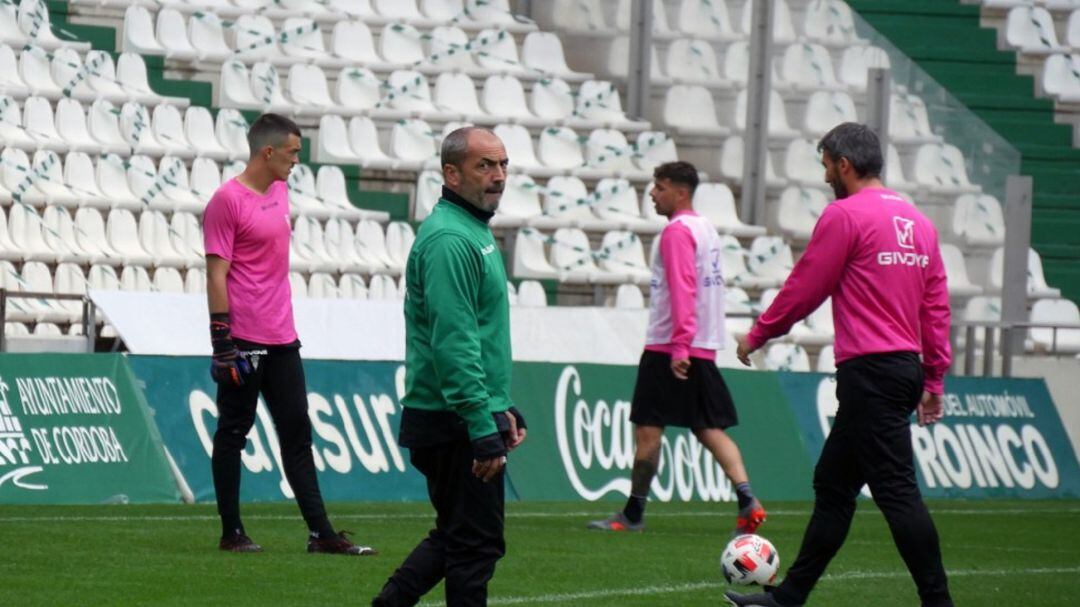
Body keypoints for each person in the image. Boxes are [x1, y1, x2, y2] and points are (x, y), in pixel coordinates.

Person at [725, 123, 953, 607]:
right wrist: (933, 376)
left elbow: (806, 287)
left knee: (896, 492)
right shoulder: (920, 224)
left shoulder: (844, 216)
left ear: (843, 164)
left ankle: (939, 602)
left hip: (870, 372)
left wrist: (759, 333)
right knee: (833, 484)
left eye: (826, 163)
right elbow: (935, 307)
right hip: (902, 369)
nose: (825, 172)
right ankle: (789, 597)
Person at [203, 113, 375, 556]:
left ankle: (322, 534)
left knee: (297, 432)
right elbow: (216, 273)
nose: (298, 160)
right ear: (268, 152)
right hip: (243, 339)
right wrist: (221, 340)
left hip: (283, 338)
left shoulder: (281, 191)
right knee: (234, 432)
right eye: (294, 152)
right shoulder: (226, 201)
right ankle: (231, 532)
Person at [372, 126, 527, 607]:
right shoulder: (449, 240)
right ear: (451, 173)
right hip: (453, 418)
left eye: (502, 165)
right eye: (485, 165)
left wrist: (502, 408)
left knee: (458, 537)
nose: (498, 175)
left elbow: (476, 338)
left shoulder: (470, 231)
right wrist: (481, 425)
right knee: (474, 546)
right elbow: (454, 345)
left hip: (458, 412)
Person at [587, 161, 766, 535]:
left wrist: (680, 346)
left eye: (660, 186)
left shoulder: (676, 232)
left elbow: (684, 287)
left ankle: (633, 513)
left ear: (680, 192)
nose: (652, 193)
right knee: (708, 428)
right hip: (702, 345)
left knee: (648, 431)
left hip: (671, 346)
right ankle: (747, 498)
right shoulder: (706, 230)